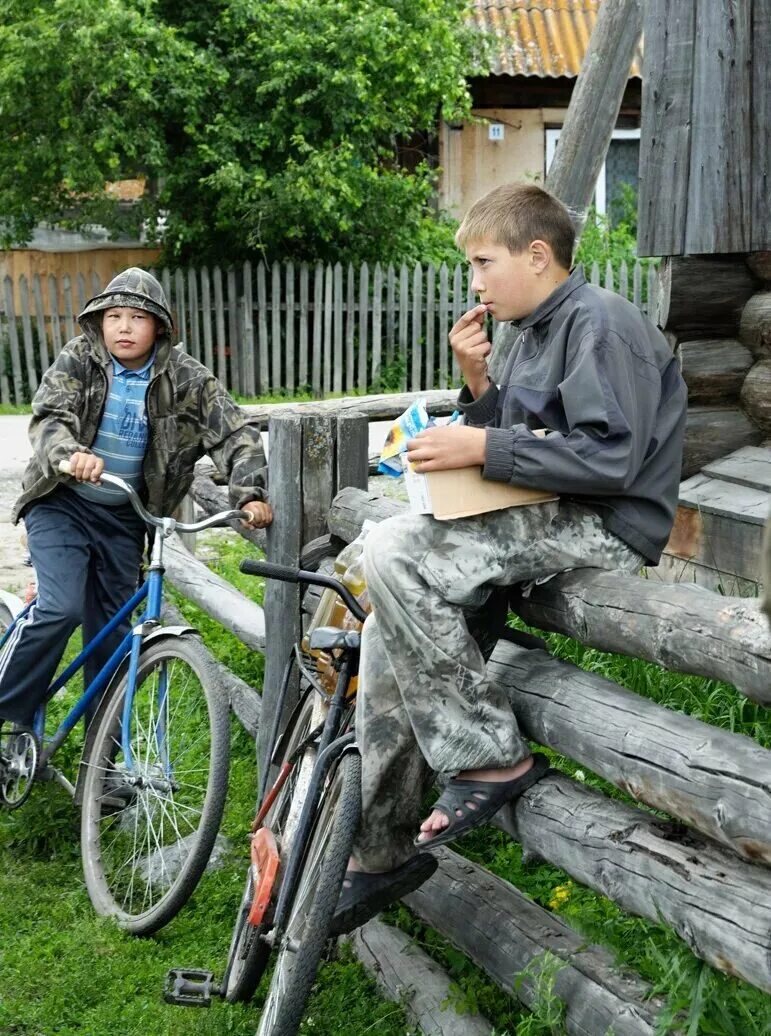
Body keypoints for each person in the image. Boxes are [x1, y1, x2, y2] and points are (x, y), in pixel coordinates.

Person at [332, 183, 688, 933]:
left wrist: (480, 441)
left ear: (537, 255)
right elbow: (534, 437)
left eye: (482, 261)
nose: (474, 281)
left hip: (604, 523)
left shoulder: (601, 324)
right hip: (542, 512)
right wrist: (478, 388)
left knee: (395, 547)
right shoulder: (525, 327)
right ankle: (377, 847)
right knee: (383, 620)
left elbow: (608, 460)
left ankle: (492, 754)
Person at [0, 267, 272, 734]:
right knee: (60, 608)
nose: (124, 327)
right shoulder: (79, 359)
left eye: (138, 318)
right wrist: (70, 455)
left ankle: (98, 761)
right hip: (62, 503)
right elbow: (50, 419)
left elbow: (235, 434)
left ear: (161, 328)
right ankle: (8, 712)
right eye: (114, 316)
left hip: (127, 518)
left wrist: (250, 494)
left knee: (112, 638)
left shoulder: (188, 378)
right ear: (99, 322)